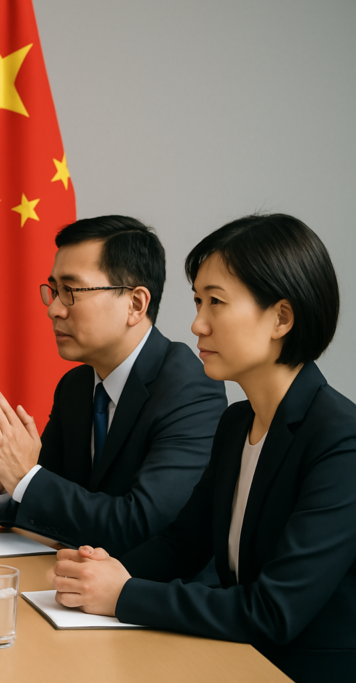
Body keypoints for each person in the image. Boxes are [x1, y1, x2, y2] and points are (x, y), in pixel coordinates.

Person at [47, 214, 355, 682]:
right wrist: (99, 573)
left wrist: (122, 594)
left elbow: (274, 611)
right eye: (197, 301)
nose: (197, 324)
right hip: (234, 659)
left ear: (281, 318)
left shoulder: (341, 440)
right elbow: (182, 544)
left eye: (215, 302)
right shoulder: (237, 422)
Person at [0, 216, 227, 557]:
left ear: (135, 304)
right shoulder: (76, 386)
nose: (54, 310)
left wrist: (25, 477)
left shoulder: (190, 389)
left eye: (71, 291)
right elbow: (41, 504)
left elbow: (142, 528)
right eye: (54, 291)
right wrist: (0, 482)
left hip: (150, 597)